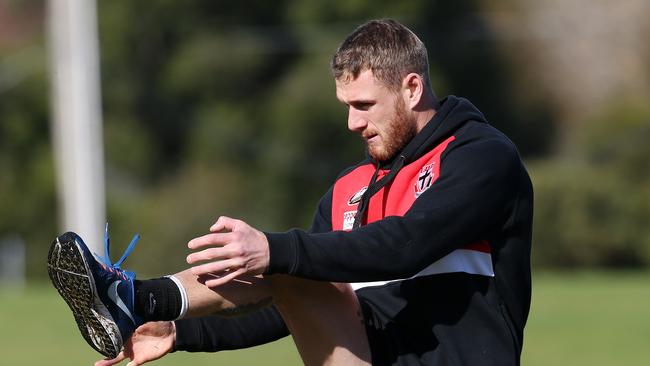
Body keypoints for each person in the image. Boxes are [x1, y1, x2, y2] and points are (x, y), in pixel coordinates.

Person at [48, 19, 533, 366]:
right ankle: (138, 300)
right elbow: (288, 305)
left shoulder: (481, 156)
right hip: (361, 353)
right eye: (345, 106)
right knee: (287, 268)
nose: (352, 122)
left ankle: (132, 296)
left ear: (411, 88)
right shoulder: (349, 187)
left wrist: (275, 248)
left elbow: (406, 246)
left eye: (364, 105)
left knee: (282, 257)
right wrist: (180, 335)